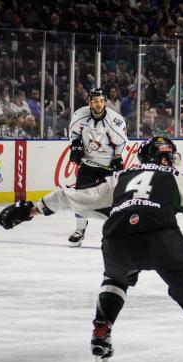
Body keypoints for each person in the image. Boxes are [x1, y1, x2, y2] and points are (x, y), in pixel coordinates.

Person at [0, 136, 183, 362]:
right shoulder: (178, 179)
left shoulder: (121, 177)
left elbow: (75, 196)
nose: (173, 161)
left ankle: (101, 332)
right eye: (170, 156)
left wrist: (31, 209)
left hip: (117, 238)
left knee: (115, 279)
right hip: (162, 240)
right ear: (165, 158)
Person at [67, 87, 128, 247]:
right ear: (89, 102)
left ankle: (115, 231)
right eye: (95, 101)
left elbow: (121, 142)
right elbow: (73, 134)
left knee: (112, 201)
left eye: (101, 101)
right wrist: (76, 145)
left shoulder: (115, 120)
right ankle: (80, 230)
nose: (98, 104)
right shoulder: (80, 115)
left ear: (105, 101)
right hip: (87, 163)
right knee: (79, 197)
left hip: (107, 165)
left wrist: (117, 156)